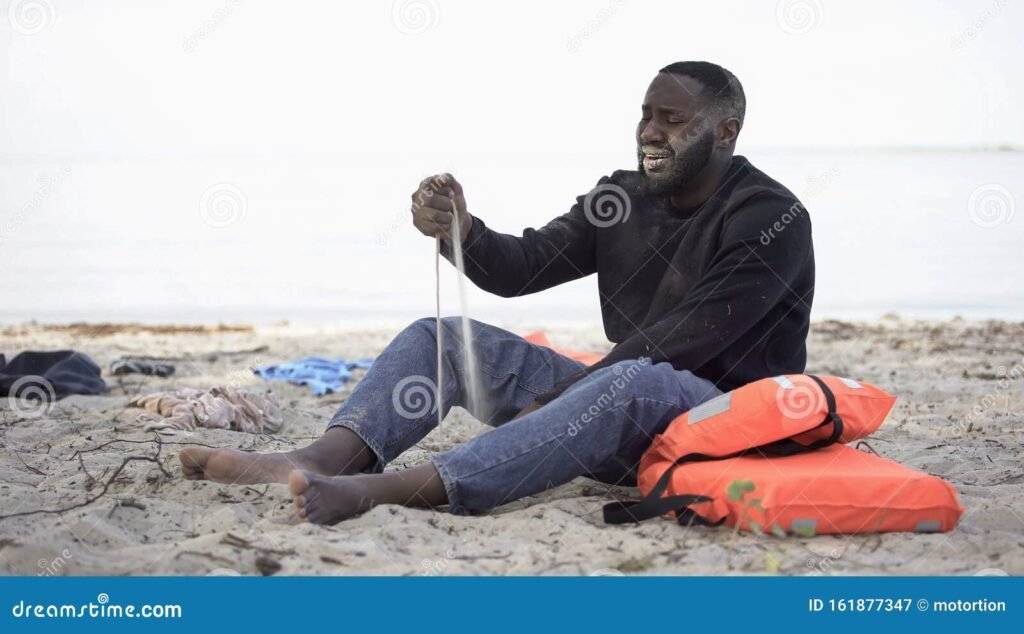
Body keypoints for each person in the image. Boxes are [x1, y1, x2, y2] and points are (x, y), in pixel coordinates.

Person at [179, 61, 815, 524]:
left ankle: (395, 490)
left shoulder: (768, 216)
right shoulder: (620, 196)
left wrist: (566, 393)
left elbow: (687, 338)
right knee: (443, 338)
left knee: (637, 376)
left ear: (725, 133)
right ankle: (328, 457)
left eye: (672, 120)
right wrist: (464, 230)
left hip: (722, 422)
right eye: (645, 115)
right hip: (618, 409)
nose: (650, 131)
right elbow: (522, 268)